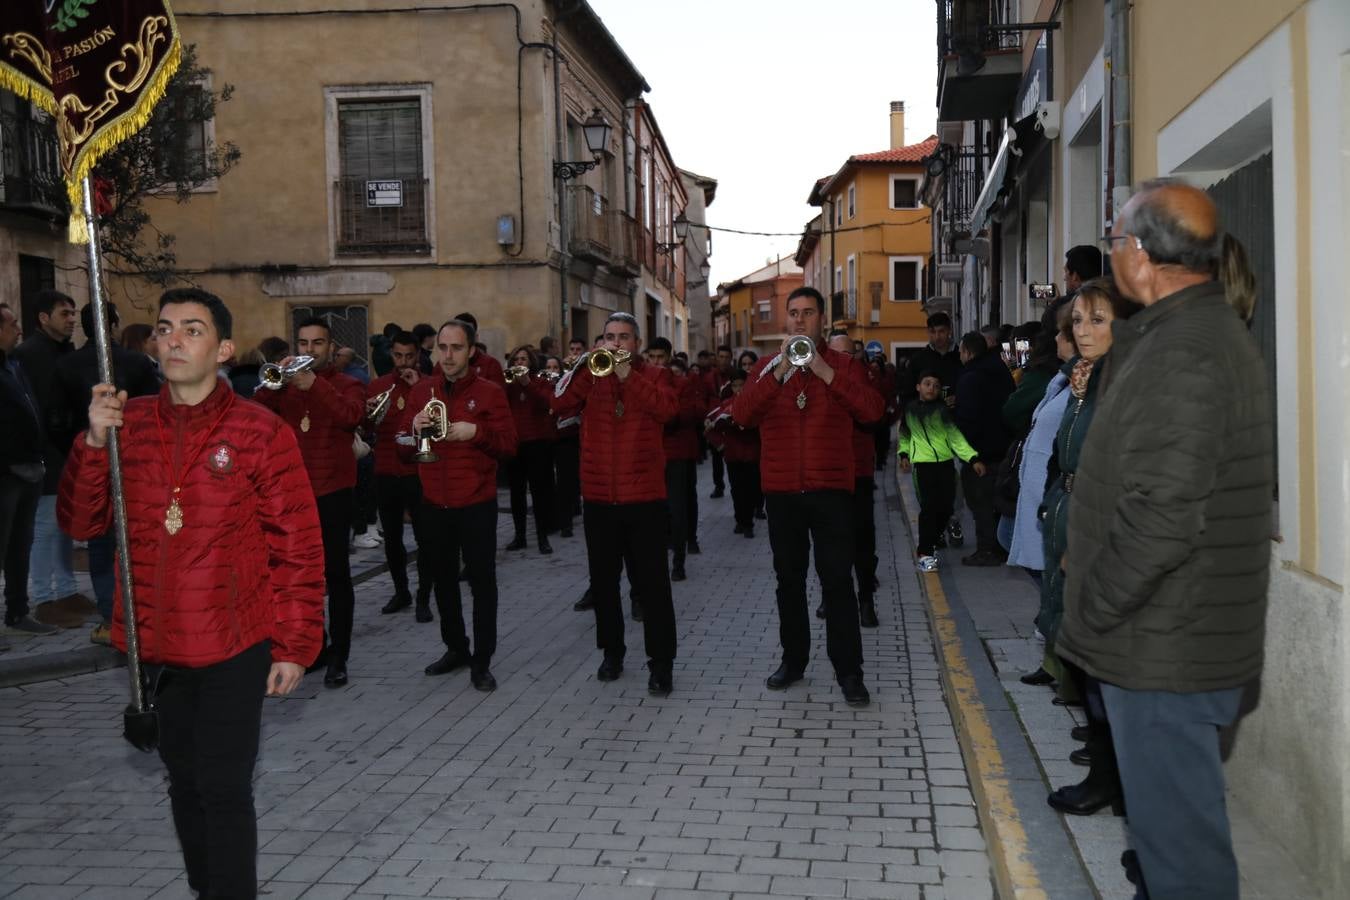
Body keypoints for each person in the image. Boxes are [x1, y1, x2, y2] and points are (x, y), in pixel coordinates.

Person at [58, 288, 324, 899]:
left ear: (224, 349)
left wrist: (295, 643)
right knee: (184, 786)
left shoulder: (261, 432)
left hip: (235, 642)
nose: (174, 340)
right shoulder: (128, 423)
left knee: (225, 789)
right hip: (157, 644)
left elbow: (298, 545)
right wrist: (93, 445)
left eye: (193, 330)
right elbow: (82, 522)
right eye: (165, 328)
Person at [1057, 181, 1271, 898]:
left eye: (1117, 239)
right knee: (1171, 846)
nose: (1114, 252)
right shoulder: (1183, 334)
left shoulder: (1184, 351)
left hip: (1163, 649)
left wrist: (1089, 612)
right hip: (1168, 639)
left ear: (1140, 255)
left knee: (1182, 861)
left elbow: (1161, 519)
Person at [732, 287, 883, 707]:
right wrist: (780, 370)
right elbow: (742, 415)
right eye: (793, 313)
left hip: (832, 491)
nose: (799, 321)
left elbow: (873, 412)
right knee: (789, 583)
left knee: (837, 583)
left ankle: (849, 671)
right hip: (781, 493)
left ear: (821, 319)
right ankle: (793, 660)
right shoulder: (766, 367)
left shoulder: (842, 365)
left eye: (808, 313)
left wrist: (823, 370)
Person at [1035, 278, 1142, 820]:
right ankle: (1109, 772)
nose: (1083, 330)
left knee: (1107, 668)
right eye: (1078, 320)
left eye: (1097, 319)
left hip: (1105, 536)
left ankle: (1114, 783)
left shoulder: (1125, 382)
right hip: (1073, 517)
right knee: (1089, 661)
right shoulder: (1083, 377)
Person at [552, 312, 679, 696]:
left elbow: (667, 411)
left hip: (644, 499)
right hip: (599, 498)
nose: (616, 344)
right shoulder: (591, 376)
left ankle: (661, 664)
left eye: (624, 337)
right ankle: (612, 652)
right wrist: (584, 370)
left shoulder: (655, 376)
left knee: (654, 587)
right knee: (604, 584)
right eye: (609, 337)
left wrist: (628, 376)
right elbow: (558, 406)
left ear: (637, 344)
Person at [400, 318, 517, 692]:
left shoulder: (489, 392)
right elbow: (403, 451)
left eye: (456, 348)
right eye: (442, 348)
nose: (448, 356)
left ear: (471, 351)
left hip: (476, 504)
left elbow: (509, 446)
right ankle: (456, 648)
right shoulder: (422, 391)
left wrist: (476, 433)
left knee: (482, 584)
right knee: (443, 583)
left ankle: (482, 661)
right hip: (433, 503)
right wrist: (413, 431)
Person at [253, 317, 364, 688]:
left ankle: (340, 655)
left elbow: (351, 417)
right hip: (291, 496)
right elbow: (256, 417)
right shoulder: (284, 388)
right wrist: (276, 382)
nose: (309, 350)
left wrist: (314, 385)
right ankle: (310, 650)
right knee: (298, 577)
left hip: (333, 491)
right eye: (302, 344)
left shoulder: (347, 384)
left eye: (317, 344)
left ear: (331, 347)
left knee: (336, 574)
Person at [46, 301, 161, 640]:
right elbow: (156, 412)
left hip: (94, 459)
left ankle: (113, 617)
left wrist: (80, 447)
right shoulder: (136, 362)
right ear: (114, 323)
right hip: (133, 462)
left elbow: (55, 419)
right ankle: (130, 616)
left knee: (101, 543)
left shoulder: (66, 365)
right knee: (127, 539)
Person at [13, 290, 87, 622]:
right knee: (45, 525)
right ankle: (43, 597)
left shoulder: (60, 350)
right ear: (44, 318)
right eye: (64, 314)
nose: (71, 320)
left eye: (73, 313)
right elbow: (38, 407)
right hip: (45, 452)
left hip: (65, 449)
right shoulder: (30, 354)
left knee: (64, 525)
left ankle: (67, 590)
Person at [364, 331, 433, 620]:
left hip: (417, 470)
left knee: (424, 537)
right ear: (391, 355)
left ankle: (424, 597)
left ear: (418, 355)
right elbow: (368, 428)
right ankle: (401, 591)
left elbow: (436, 423)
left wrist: (420, 389)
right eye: (398, 355)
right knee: (392, 537)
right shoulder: (379, 386)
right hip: (385, 470)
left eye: (409, 355)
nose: (403, 361)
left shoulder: (429, 385)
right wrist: (367, 415)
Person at [0, 301, 57, 642]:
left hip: (28, 469)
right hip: (5, 473)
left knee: (20, 545)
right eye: (11, 324)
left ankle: (18, 611)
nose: (18, 329)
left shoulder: (13, 365)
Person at [897, 372, 985, 562]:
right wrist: (903, 454)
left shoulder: (943, 411)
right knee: (929, 508)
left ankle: (935, 537)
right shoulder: (910, 409)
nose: (932, 388)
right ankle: (925, 552)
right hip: (922, 467)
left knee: (946, 507)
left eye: (936, 386)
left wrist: (972, 458)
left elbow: (955, 437)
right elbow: (904, 434)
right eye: (927, 384)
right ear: (918, 387)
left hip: (945, 465)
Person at [826, 333, 882, 628]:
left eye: (847, 355)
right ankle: (831, 596)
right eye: (836, 355)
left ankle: (865, 600)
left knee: (861, 539)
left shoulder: (860, 379)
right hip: (830, 473)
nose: (841, 361)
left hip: (858, 472)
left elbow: (872, 414)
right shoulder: (820, 376)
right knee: (831, 541)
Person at [953, 331, 1016, 565]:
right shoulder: (1002, 372)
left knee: (980, 503)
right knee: (998, 502)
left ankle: (986, 550)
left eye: (960, 351)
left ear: (967, 352)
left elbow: (968, 419)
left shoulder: (970, 378)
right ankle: (1000, 547)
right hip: (1003, 449)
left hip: (979, 454)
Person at [647, 338, 701, 581]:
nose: (656, 362)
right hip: (650, 454)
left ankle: (678, 561)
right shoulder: (643, 382)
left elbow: (683, 415)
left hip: (675, 454)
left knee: (677, 509)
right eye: (652, 357)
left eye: (660, 357)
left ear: (668, 357)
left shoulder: (682, 383)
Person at [504, 345, 556, 555]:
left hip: (538, 443)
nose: (519, 363)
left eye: (523, 359)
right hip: (516, 444)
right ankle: (520, 536)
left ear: (531, 362)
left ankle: (543, 537)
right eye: (516, 360)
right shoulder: (509, 384)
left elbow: (547, 403)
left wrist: (527, 384)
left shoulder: (541, 382)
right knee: (516, 493)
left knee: (539, 492)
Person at [705, 369, 759, 538]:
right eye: (735, 386)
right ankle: (739, 521)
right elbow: (710, 424)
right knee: (736, 489)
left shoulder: (755, 403)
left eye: (741, 385)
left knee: (750, 489)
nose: (738, 389)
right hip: (733, 454)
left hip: (751, 453)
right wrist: (721, 445)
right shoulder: (726, 404)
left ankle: (748, 523)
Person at [548, 356, 581, 539]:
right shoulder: (541, 386)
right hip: (547, 438)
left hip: (565, 438)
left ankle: (565, 523)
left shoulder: (566, 386)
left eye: (555, 367)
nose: (552, 370)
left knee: (565, 483)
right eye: (548, 367)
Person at [1042, 244, 1104, 332]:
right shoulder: (1109, 301)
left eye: (1066, 271)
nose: (1064, 278)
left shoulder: (1057, 310)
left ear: (1075, 276)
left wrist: (1056, 305)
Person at [706, 346, 734, 498]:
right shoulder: (709, 377)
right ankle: (719, 486)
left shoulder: (735, 376)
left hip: (730, 421)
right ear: (716, 358)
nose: (723, 360)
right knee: (716, 459)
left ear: (731, 359)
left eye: (726, 357)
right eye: (720, 356)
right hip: (714, 423)